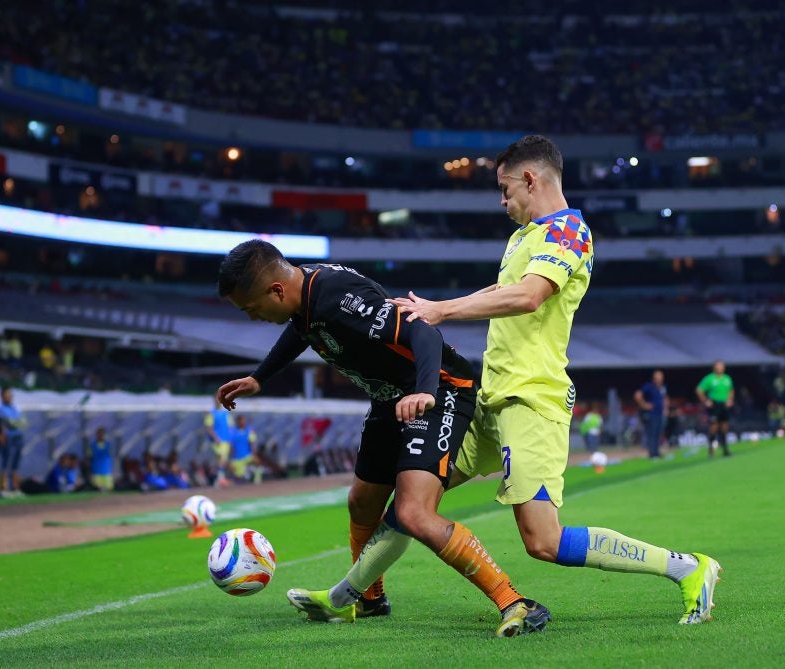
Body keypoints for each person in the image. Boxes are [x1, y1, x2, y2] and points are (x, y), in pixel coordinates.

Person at [331, 135, 720, 626]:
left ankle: (688, 568)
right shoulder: (523, 237)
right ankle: (345, 596)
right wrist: (436, 306)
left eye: (504, 186)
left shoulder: (570, 231)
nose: (502, 199)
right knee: (415, 499)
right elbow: (502, 289)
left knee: (543, 541)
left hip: (531, 400)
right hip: (490, 398)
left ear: (530, 178)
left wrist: (441, 311)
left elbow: (530, 296)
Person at [215, 239, 548, 637]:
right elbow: (301, 329)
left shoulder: (338, 299)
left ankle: (515, 603)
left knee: (413, 513)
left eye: (252, 309)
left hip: (439, 391)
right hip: (390, 398)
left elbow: (421, 330)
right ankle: (369, 600)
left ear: (276, 290)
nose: (253, 318)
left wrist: (425, 390)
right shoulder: (302, 294)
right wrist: (260, 377)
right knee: (362, 502)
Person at [696, 360, 735, 457]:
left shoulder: (727, 378)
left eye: (722, 366)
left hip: (724, 405)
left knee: (724, 426)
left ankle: (725, 449)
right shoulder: (710, 378)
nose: (721, 368)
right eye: (718, 366)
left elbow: (731, 390)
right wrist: (706, 401)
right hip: (714, 405)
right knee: (714, 427)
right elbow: (699, 390)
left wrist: (730, 400)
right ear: (714, 367)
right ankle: (711, 449)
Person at [0, 387, 27, 496]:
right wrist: (16, 422)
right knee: (6, 462)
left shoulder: (15, 408)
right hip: (8, 437)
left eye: (10, 395)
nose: (9, 397)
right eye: (7, 395)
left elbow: (23, 422)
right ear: (2, 396)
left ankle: (15, 488)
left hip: (18, 437)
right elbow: (10, 423)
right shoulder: (1, 409)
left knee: (16, 464)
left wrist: (16, 422)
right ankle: (4, 489)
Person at [635, 370, 669, 459]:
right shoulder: (648, 386)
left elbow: (664, 398)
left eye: (661, 377)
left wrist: (665, 408)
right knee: (652, 434)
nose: (660, 379)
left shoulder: (662, 387)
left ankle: (657, 452)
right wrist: (644, 405)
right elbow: (638, 395)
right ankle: (652, 454)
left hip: (660, 413)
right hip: (651, 414)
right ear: (654, 378)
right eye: (658, 377)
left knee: (658, 433)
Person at [204, 400, 233, 486]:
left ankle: (219, 478)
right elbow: (209, 428)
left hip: (226, 440)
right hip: (217, 441)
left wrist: (231, 439)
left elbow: (230, 427)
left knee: (223, 460)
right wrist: (215, 438)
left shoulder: (226, 413)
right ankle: (220, 478)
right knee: (220, 457)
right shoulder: (211, 413)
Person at [229, 414, 259, 482]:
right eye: (241, 421)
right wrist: (231, 458)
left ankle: (257, 477)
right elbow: (230, 445)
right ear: (238, 422)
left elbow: (252, 442)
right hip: (237, 458)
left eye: (244, 421)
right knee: (238, 476)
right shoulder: (233, 431)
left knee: (257, 461)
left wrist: (254, 454)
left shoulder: (249, 430)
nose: (243, 422)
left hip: (247, 455)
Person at [86, 427, 114, 491]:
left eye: (102, 434)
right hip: (96, 471)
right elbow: (88, 457)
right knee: (97, 488)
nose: (100, 436)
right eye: (99, 434)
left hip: (106, 471)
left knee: (108, 489)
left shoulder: (108, 445)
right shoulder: (92, 446)